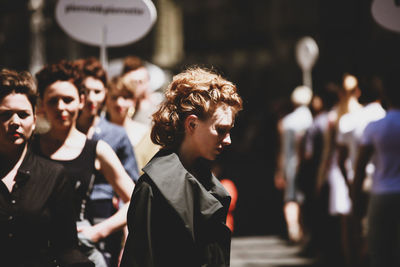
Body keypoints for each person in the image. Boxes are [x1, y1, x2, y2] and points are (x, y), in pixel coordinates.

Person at [120, 67, 243, 267]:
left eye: (229, 130)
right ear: (192, 125)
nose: (228, 140)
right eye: (221, 130)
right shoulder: (153, 187)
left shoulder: (204, 178)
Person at [33, 60, 135, 267]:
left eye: (68, 99)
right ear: (42, 103)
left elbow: (137, 199)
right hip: (36, 252)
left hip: (82, 252)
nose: (61, 107)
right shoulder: (30, 148)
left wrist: (98, 232)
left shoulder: (97, 149)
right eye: (53, 101)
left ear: (80, 101)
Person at [0, 68, 93, 266]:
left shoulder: (53, 175)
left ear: (34, 121)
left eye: (23, 115)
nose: (15, 122)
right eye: (5, 114)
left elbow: (67, 248)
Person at [74, 57, 139, 266]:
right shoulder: (65, 134)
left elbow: (134, 190)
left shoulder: (116, 135)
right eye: (85, 91)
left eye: (98, 91)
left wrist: (127, 237)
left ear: (104, 94)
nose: (91, 98)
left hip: (106, 218)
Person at [352, 68, 400, 267]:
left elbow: (360, 167)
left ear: (385, 93)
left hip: (382, 195)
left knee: (380, 252)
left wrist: (356, 202)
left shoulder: (375, 127)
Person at [274, 85, 313, 243]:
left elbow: (283, 149)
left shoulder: (287, 121)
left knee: (291, 199)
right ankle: (306, 234)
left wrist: (280, 171)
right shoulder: (312, 119)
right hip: (307, 165)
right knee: (305, 199)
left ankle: (293, 229)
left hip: (290, 164)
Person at [106, 75, 160, 174]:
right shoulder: (99, 133)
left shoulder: (148, 135)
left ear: (134, 101)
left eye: (125, 97)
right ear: (106, 101)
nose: (119, 103)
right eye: (114, 97)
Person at [120, 56, 164, 126]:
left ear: (148, 81)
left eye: (140, 82)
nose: (136, 87)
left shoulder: (158, 107)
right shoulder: (120, 105)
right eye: (133, 82)